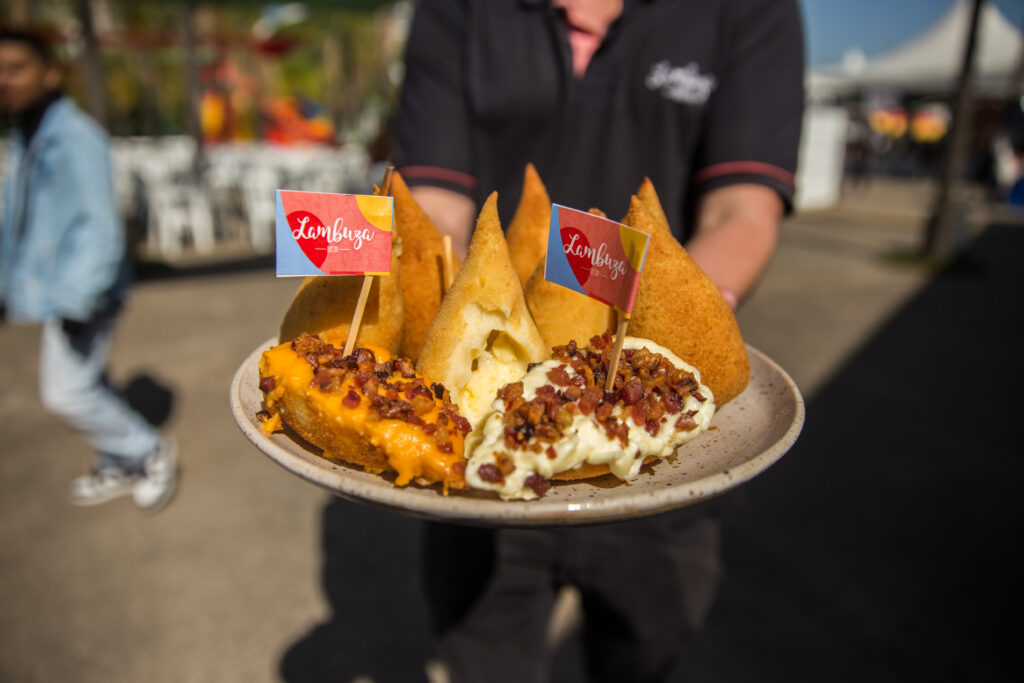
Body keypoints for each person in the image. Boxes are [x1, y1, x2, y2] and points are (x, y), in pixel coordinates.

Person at [393, 1, 803, 681]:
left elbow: (743, 208)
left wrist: (674, 344)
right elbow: (434, 203)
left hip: (661, 465)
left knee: (646, 658)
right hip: (480, 460)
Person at [0, 29, 178, 511]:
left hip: (83, 292)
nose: (5, 80)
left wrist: (79, 297)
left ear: (50, 72)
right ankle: (118, 458)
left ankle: (148, 450)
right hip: (58, 288)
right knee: (88, 381)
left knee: (66, 393)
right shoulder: (28, 130)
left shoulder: (75, 136)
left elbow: (102, 226)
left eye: (17, 68)